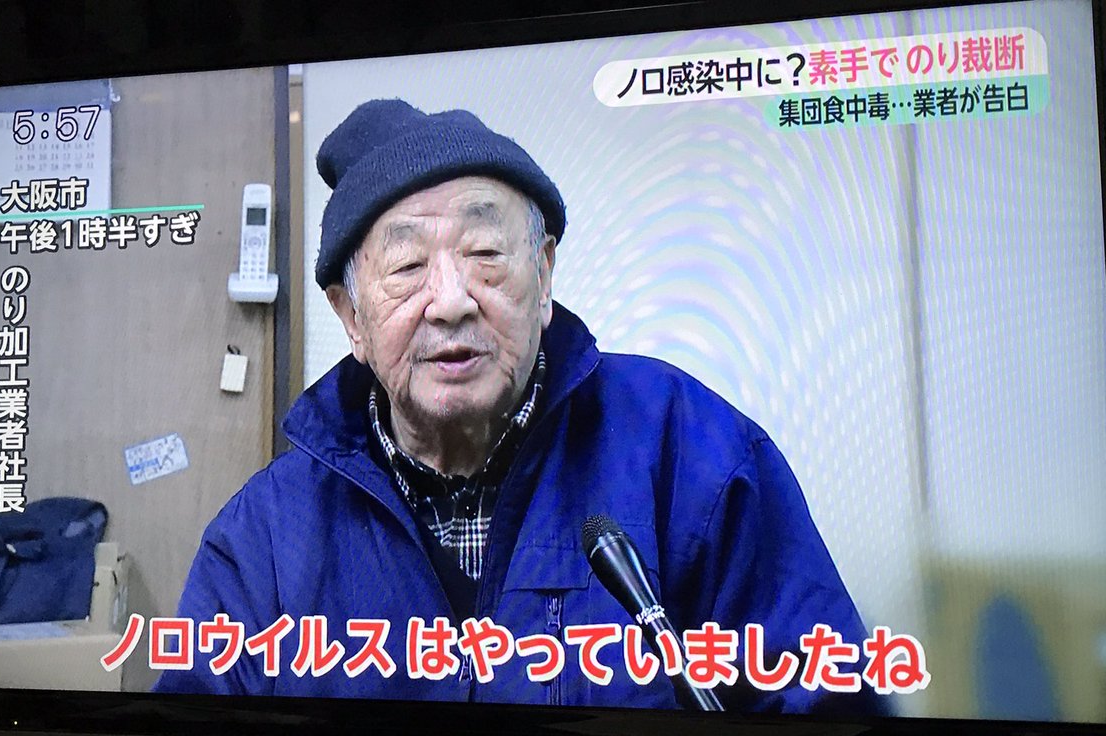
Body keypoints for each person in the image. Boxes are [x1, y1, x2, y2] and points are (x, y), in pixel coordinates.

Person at [154, 99, 888, 715]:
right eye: (407, 266)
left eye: (485, 254)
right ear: (351, 318)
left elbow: (831, 700)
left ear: (544, 276)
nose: (451, 301)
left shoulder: (687, 450)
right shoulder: (262, 541)